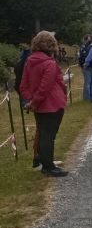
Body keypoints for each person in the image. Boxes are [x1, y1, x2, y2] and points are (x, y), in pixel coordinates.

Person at [20, 32, 68, 177]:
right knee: (48, 136)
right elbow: (45, 87)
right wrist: (35, 101)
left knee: (43, 134)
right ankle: (48, 167)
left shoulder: (29, 61)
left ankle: (43, 161)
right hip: (52, 104)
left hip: (39, 106)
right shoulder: (49, 63)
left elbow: (23, 86)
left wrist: (31, 101)